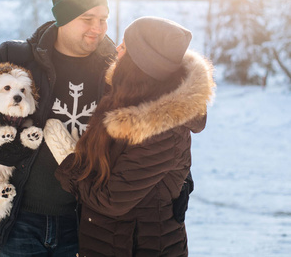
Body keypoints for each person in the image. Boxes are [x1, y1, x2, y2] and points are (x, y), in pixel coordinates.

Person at [0, 0, 116, 256]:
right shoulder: (16, 57)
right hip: (19, 218)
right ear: (64, 18)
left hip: (82, 220)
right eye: (88, 18)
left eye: (103, 19)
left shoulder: (113, 68)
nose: (97, 28)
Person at [44, 16, 215, 256]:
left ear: (140, 63)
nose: (117, 49)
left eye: (125, 46)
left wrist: (69, 162)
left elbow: (112, 199)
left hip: (136, 246)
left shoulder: (159, 129)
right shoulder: (129, 99)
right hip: (116, 240)